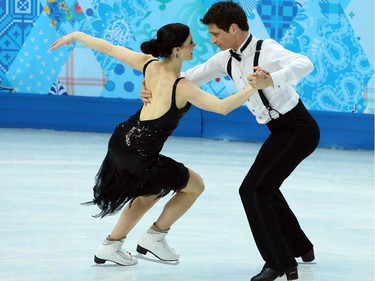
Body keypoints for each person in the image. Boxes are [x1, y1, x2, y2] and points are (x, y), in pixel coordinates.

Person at [141, 1, 320, 280]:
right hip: (280, 130)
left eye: (216, 34)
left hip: (299, 128)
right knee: (266, 187)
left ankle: (279, 262)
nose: (212, 41)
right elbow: (189, 77)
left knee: (252, 190)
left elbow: (304, 63)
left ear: (233, 28)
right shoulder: (226, 58)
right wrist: (153, 88)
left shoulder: (266, 49)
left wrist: (272, 79)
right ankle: (301, 247)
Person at [51, 23, 255, 266]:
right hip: (140, 153)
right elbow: (223, 107)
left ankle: (111, 245)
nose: (195, 45)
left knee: (150, 192)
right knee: (195, 185)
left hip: (121, 141)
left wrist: (77, 35)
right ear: (177, 50)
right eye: (190, 42)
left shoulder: (149, 64)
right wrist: (254, 87)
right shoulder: (182, 87)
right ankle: (155, 236)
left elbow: (111, 49)